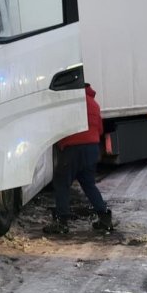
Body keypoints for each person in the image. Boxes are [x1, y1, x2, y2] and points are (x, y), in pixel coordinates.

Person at [43, 83, 113, 235]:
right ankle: (104, 218)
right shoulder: (94, 104)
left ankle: (61, 222)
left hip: (73, 148)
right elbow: (100, 129)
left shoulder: (72, 103)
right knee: (88, 184)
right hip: (92, 148)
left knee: (61, 182)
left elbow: (60, 126)